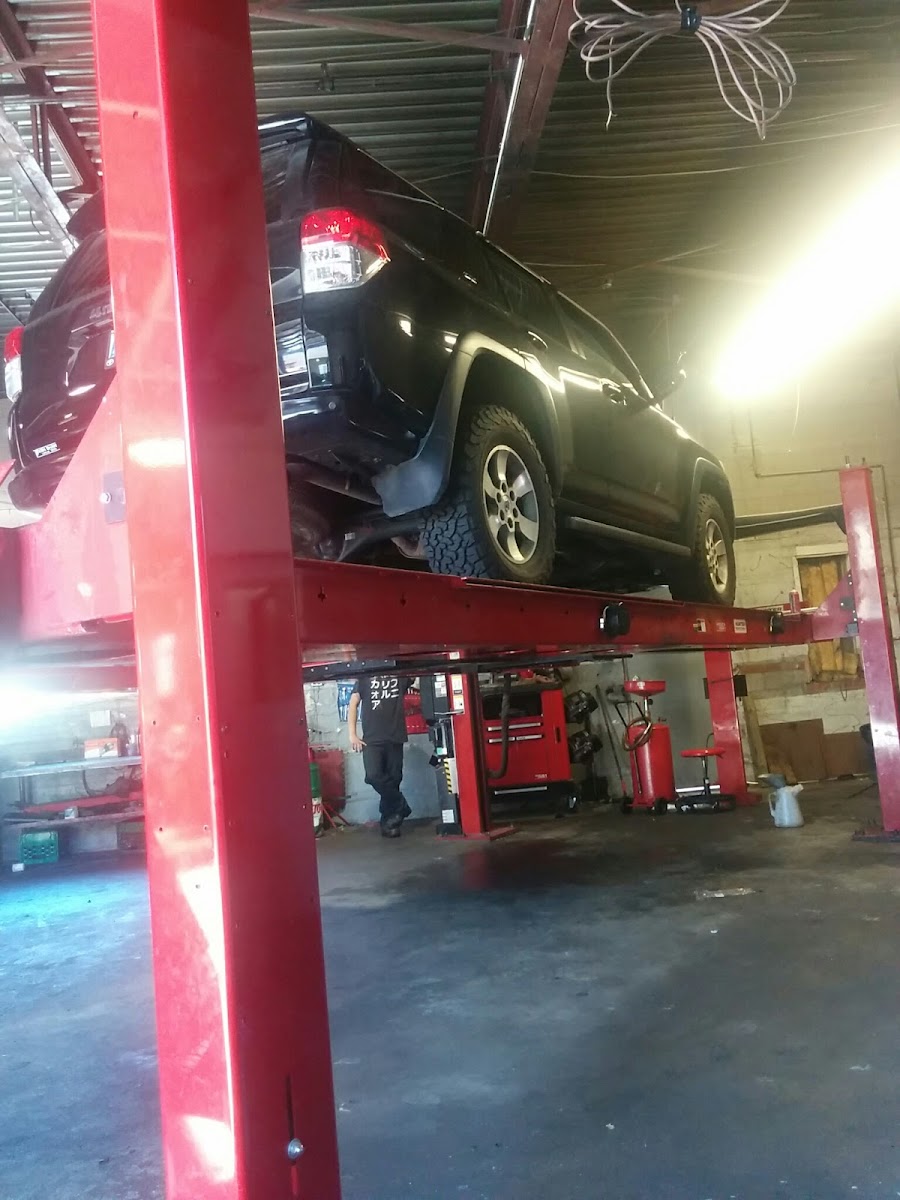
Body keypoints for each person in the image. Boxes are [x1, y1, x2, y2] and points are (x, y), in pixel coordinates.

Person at [348, 675, 414, 838]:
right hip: (372, 739)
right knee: (373, 776)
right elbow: (353, 703)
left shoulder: (400, 676)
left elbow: (418, 676)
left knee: (393, 780)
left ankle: (390, 823)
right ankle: (401, 805)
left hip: (395, 737)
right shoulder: (364, 677)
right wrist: (352, 735)